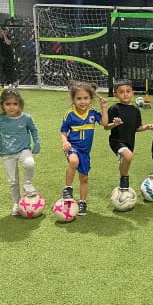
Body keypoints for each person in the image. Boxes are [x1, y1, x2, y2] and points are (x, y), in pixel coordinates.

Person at [60, 81, 108, 216]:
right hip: (72, 147)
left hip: (85, 152)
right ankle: (67, 188)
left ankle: (82, 202)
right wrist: (64, 141)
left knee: (84, 178)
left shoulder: (93, 113)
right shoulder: (70, 114)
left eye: (85, 98)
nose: (82, 101)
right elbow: (63, 132)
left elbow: (104, 123)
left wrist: (103, 107)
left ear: (91, 99)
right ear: (73, 99)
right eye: (79, 98)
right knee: (73, 161)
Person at [0, 89, 40, 215]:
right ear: (2, 104)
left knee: (29, 163)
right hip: (7, 153)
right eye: (8, 104)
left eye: (15, 104)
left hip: (24, 149)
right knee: (12, 181)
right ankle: (17, 204)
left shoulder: (26, 118)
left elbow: (33, 131)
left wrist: (37, 144)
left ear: (20, 104)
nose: (12, 107)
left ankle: (28, 185)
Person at [104, 79, 153, 191]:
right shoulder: (114, 108)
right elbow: (106, 126)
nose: (125, 94)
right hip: (117, 141)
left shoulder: (136, 110)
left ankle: (122, 186)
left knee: (127, 159)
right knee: (129, 156)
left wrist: (146, 127)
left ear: (132, 92)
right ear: (116, 94)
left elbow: (137, 128)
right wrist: (114, 124)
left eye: (128, 91)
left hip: (130, 142)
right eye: (121, 92)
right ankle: (125, 179)